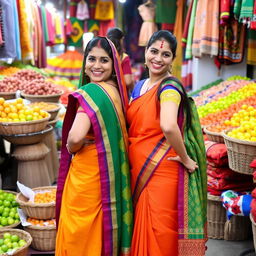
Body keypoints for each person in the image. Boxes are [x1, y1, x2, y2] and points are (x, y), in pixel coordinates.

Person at [127, 30, 207, 256]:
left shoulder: (169, 88)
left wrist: (186, 159)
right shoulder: (139, 86)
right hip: (140, 167)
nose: (158, 58)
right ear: (145, 52)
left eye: (166, 54)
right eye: (154, 51)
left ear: (173, 60)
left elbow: (169, 126)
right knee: (149, 233)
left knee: (160, 235)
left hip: (159, 169)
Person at [55, 37, 133, 256]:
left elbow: (76, 136)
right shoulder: (115, 91)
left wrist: (72, 147)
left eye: (104, 60)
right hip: (107, 175)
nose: (97, 66)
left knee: (80, 233)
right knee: (100, 231)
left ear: (113, 65)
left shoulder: (93, 93)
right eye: (92, 59)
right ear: (84, 61)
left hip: (88, 176)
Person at [106, 27, 134, 92]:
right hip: (120, 94)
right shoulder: (123, 57)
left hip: (106, 92)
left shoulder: (104, 55)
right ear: (121, 40)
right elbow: (128, 81)